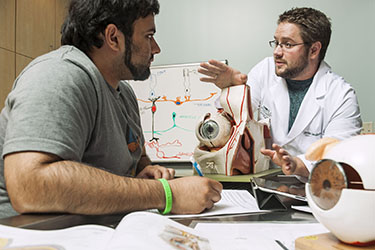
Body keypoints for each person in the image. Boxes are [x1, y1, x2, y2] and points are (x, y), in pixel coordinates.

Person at [0, 0, 222, 219]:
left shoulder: (124, 93)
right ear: (113, 37)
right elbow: (29, 186)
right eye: (148, 36)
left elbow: (137, 159)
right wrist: (166, 194)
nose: (156, 49)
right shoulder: (58, 75)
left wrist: (148, 171)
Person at [198, 7, 362, 179]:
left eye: (288, 44)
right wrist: (233, 89)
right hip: (262, 181)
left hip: (312, 189)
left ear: (314, 50)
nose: (277, 52)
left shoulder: (341, 95)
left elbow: (339, 156)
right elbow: (233, 124)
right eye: (276, 43)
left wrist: (298, 164)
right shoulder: (265, 70)